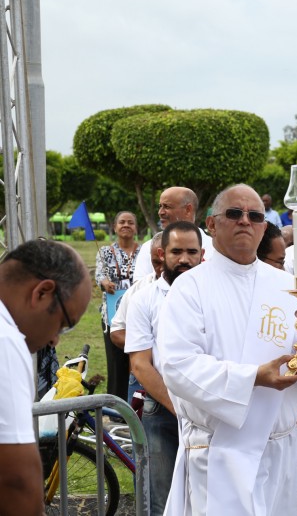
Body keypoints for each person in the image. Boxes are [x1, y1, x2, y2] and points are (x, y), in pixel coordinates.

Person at [157, 184, 297, 515]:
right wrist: (252, 378)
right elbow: (177, 365)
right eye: (234, 214)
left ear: (264, 227)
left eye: (255, 216)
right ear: (210, 225)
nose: (245, 221)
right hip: (219, 449)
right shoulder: (190, 287)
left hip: (281, 448)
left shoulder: (286, 286)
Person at [0, 240, 92, 515]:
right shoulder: (6, 340)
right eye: (63, 325)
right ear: (42, 292)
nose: (54, 340)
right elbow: (16, 480)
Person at [126, 222, 203, 514]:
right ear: (162, 253)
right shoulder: (144, 298)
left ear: (202, 254)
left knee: (208, 495)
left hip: (209, 407)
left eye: (191, 252)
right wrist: (178, 407)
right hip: (161, 409)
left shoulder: (212, 296)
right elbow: (139, 364)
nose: (184, 259)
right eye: (177, 251)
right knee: (162, 499)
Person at [109, 232, 162, 405]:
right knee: (140, 432)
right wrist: (147, 350)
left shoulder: (195, 290)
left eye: (164, 261)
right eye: (155, 262)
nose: (160, 268)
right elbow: (116, 332)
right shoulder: (140, 290)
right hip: (141, 382)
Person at [95, 210, 140, 401]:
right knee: (116, 364)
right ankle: (115, 408)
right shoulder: (104, 252)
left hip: (139, 315)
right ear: (115, 227)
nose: (126, 225)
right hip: (112, 316)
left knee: (138, 360)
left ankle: (137, 404)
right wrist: (105, 283)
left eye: (131, 222)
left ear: (136, 228)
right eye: (122, 222)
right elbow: (99, 274)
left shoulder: (144, 251)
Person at [132, 186, 213, 281]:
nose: (160, 212)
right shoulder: (149, 247)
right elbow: (139, 286)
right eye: (160, 206)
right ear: (161, 253)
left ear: (188, 210)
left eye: (166, 206)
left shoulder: (213, 248)